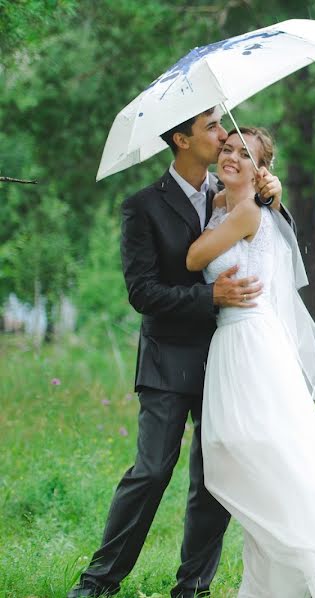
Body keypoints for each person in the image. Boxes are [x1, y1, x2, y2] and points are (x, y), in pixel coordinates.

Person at [68, 108, 283, 598]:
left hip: (230, 360)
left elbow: (269, 238)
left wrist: (273, 191)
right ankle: (99, 582)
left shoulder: (234, 191)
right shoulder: (143, 206)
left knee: (214, 478)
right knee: (151, 471)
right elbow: (142, 292)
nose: (224, 136)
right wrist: (209, 297)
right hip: (168, 359)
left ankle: (193, 587)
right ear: (182, 140)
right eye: (212, 128)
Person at [186, 127, 315, 597]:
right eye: (228, 149)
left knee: (258, 447)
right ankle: (281, 569)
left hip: (252, 340)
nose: (231, 157)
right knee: (235, 447)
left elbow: (194, 256)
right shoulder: (226, 207)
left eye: (245, 154)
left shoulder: (245, 214)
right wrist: (219, 204)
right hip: (230, 342)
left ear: (263, 171)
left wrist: (244, 204)